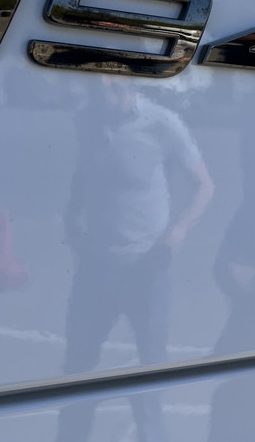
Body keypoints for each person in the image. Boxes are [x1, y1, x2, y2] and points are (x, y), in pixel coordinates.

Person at [56, 77, 214, 442]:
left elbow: (205, 185)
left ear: (130, 86)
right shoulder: (87, 119)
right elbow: (85, 172)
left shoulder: (162, 124)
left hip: (147, 269)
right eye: (97, 89)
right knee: (77, 367)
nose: (104, 96)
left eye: (111, 89)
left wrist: (179, 231)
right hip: (96, 268)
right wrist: (71, 217)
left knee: (151, 370)